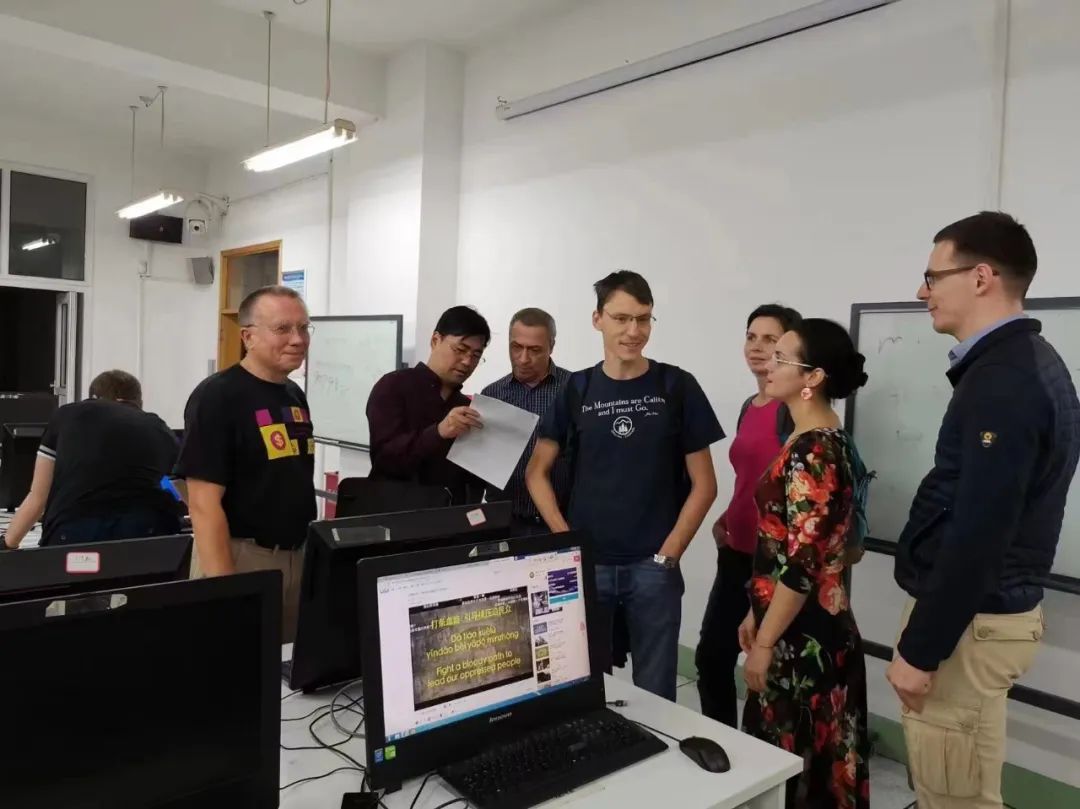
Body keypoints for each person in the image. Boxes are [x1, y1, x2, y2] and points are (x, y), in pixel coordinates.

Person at [887, 212, 1080, 809]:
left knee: (952, 794)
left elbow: (979, 531)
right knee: (969, 786)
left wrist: (921, 649)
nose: (921, 291)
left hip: (973, 624)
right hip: (984, 617)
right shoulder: (1023, 362)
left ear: (980, 277)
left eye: (932, 276)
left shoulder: (1005, 379)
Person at [526, 270, 723, 701]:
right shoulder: (576, 388)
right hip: (586, 564)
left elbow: (705, 484)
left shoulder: (676, 386)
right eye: (621, 318)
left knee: (656, 691)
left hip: (653, 567)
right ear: (597, 319)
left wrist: (668, 555)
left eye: (643, 319)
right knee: (580, 686)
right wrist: (566, 540)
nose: (634, 331)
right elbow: (536, 472)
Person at [740, 318, 871, 809]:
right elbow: (791, 547)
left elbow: (801, 566)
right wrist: (755, 610)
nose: (768, 364)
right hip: (803, 622)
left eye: (781, 357)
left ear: (812, 377)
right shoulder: (823, 438)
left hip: (804, 639)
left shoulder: (813, 450)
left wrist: (765, 643)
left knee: (790, 769)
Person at [175, 285, 316, 643]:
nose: (298, 339)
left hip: (295, 559)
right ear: (248, 337)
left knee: (286, 670)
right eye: (283, 328)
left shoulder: (293, 394)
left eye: (303, 327)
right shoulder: (217, 396)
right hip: (240, 557)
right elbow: (203, 504)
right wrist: (228, 592)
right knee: (232, 665)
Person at [695, 304, 801, 727]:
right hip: (735, 552)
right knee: (712, 657)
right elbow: (752, 477)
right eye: (751, 337)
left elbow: (798, 495)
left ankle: (761, 753)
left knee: (767, 668)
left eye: (770, 339)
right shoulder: (749, 405)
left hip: (774, 563)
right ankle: (723, 742)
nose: (757, 347)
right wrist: (728, 515)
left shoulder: (792, 411)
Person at [0, 370, 181, 549]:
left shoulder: (68, 415)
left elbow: (39, 496)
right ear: (138, 402)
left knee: (75, 564)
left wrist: (8, 544)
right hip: (145, 534)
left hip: (73, 534)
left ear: (93, 397)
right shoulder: (158, 427)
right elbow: (184, 486)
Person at [367, 306, 491, 505]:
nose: (467, 361)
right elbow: (384, 460)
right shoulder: (393, 386)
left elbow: (470, 480)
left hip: (449, 517)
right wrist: (439, 432)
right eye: (460, 350)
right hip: (396, 514)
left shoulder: (467, 408)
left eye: (476, 355)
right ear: (435, 340)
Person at [481, 308, 571, 534]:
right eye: (516, 347)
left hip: (561, 522)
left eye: (534, 350)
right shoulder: (492, 395)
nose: (523, 359)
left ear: (552, 346)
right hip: (506, 525)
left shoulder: (574, 390)